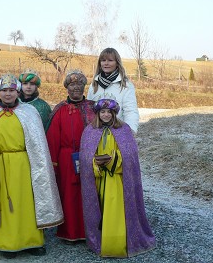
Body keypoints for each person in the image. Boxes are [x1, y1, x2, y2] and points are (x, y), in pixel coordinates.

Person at [0, 74, 63, 259]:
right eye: (4, 90)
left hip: (23, 164)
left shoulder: (29, 112)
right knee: (1, 204)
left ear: (18, 91)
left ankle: (32, 242)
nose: (8, 94)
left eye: (12, 90)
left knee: (27, 203)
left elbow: (38, 143)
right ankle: (5, 243)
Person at [79, 98, 156, 257]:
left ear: (114, 114)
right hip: (99, 179)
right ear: (98, 113)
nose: (106, 115)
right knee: (100, 209)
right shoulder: (89, 131)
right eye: (103, 112)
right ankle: (101, 242)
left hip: (117, 180)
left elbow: (130, 156)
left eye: (109, 112)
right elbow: (85, 157)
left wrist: (113, 161)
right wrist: (95, 162)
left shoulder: (124, 130)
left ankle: (118, 243)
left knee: (116, 211)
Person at [46, 69, 95, 243]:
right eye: (73, 84)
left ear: (84, 87)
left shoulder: (92, 108)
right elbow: (52, 138)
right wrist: (54, 164)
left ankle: (89, 230)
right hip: (66, 158)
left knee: (87, 194)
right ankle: (69, 232)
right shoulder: (60, 110)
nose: (76, 88)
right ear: (67, 87)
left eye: (80, 84)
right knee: (68, 194)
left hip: (88, 157)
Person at [87, 47, 140, 133]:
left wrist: (130, 131)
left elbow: (130, 111)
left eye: (110, 60)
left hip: (118, 132)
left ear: (117, 63)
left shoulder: (125, 85)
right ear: (100, 63)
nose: (106, 63)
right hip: (97, 133)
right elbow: (89, 111)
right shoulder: (94, 85)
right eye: (103, 60)